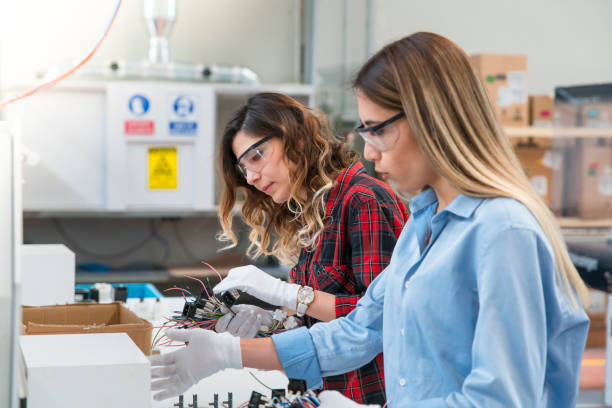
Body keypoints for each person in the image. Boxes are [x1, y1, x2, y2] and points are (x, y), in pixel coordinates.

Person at [149, 32, 590, 407]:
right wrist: (230, 352)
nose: (371, 150)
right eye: (365, 132)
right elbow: (359, 331)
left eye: (378, 129)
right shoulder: (423, 224)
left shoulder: (502, 232)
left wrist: (286, 300)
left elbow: (498, 400)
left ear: (431, 118)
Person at [209, 92, 407, 404]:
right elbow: (320, 321)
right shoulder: (312, 210)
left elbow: (381, 320)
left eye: (257, 156)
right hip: (327, 393)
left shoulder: (363, 201)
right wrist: (274, 322)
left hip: (369, 397)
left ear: (296, 139)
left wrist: (290, 295)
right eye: (244, 167)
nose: (251, 177)